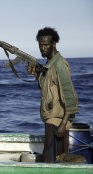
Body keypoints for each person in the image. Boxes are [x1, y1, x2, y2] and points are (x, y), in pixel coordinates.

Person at [27, 27, 79, 162]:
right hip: (51, 118)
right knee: (52, 157)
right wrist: (37, 74)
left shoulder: (60, 65)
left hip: (58, 120)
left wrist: (64, 123)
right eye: (40, 45)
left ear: (54, 44)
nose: (42, 48)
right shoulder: (49, 65)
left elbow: (69, 95)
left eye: (46, 45)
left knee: (52, 158)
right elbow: (46, 89)